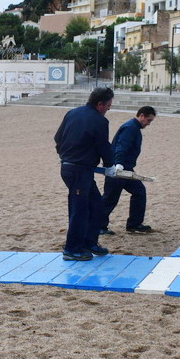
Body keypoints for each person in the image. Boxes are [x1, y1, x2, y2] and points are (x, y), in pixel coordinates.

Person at [54, 87, 119, 261]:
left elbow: (58, 138)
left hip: (73, 168)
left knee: (96, 205)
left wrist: (64, 154)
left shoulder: (72, 113)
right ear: (100, 104)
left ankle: (89, 242)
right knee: (79, 210)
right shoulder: (99, 121)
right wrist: (110, 165)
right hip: (78, 170)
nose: (109, 108)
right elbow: (103, 146)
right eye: (108, 105)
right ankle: (72, 249)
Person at [100, 105, 157, 235]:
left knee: (139, 192)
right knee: (110, 198)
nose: (148, 123)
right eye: (148, 120)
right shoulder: (130, 128)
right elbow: (122, 146)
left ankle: (134, 224)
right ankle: (98, 226)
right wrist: (119, 164)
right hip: (118, 168)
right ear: (141, 116)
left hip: (126, 168)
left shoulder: (133, 127)